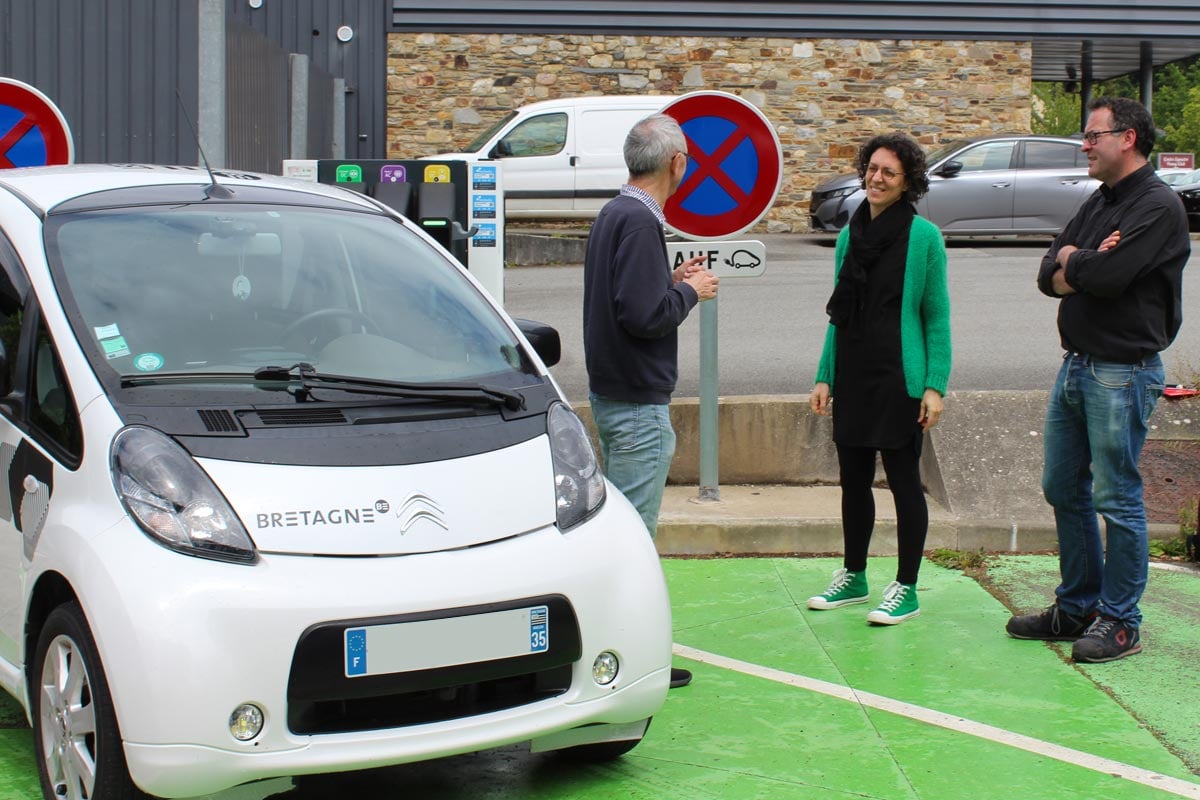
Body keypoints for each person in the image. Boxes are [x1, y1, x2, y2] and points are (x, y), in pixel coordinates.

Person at [1006, 97, 1190, 662]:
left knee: (1117, 497)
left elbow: (1110, 277)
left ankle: (1121, 621)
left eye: (1093, 135)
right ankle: (1078, 607)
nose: (1084, 145)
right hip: (1077, 365)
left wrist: (1076, 259)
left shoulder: (1157, 206)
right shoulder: (1100, 201)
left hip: (1122, 371)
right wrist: (1079, 256)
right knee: (1062, 487)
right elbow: (1046, 274)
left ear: (1127, 138)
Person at [582, 113, 719, 687]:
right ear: (677, 164)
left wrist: (671, 282)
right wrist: (690, 291)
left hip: (613, 394)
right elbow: (642, 317)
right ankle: (629, 664)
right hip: (638, 404)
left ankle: (610, 654)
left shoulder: (615, 213)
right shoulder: (640, 222)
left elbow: (623, 303)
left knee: (616, 535)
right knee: (632, 545)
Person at [807, 132, 951, 626]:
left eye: (889, 171)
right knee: (853, 482)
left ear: (907, 182)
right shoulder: (850, 235)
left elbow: (936, 316)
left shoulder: (924, 238)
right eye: (872, 168)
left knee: (905, 483)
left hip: (899, 376)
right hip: (854, 371)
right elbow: (839, 312)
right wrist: (825, 375)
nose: (877, 177)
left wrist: (934, 384)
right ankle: (854, 575)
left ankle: (906, 587)